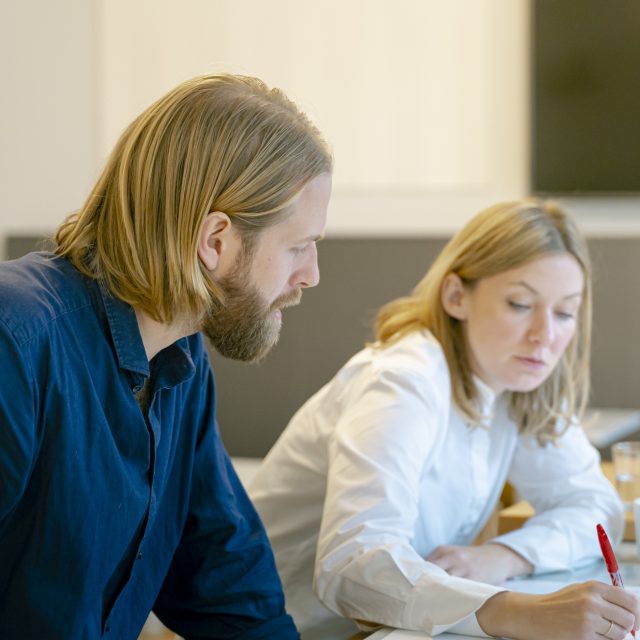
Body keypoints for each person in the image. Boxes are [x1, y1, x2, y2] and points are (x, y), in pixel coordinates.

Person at [0, 73, 332, 639]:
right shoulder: (18, 339)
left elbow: (223, 575)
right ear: (214, 240)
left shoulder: (181, 360)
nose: (311, 276)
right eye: (298, 247)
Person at [249, 199, 639, 640]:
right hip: (278, 631)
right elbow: (353, 564)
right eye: (519, 304)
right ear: (456, 297)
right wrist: (517, 612)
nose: (545, 335)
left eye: (565, 312)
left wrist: (504, 556)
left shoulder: (513, 381)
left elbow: (595, 507)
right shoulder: (402, 381)